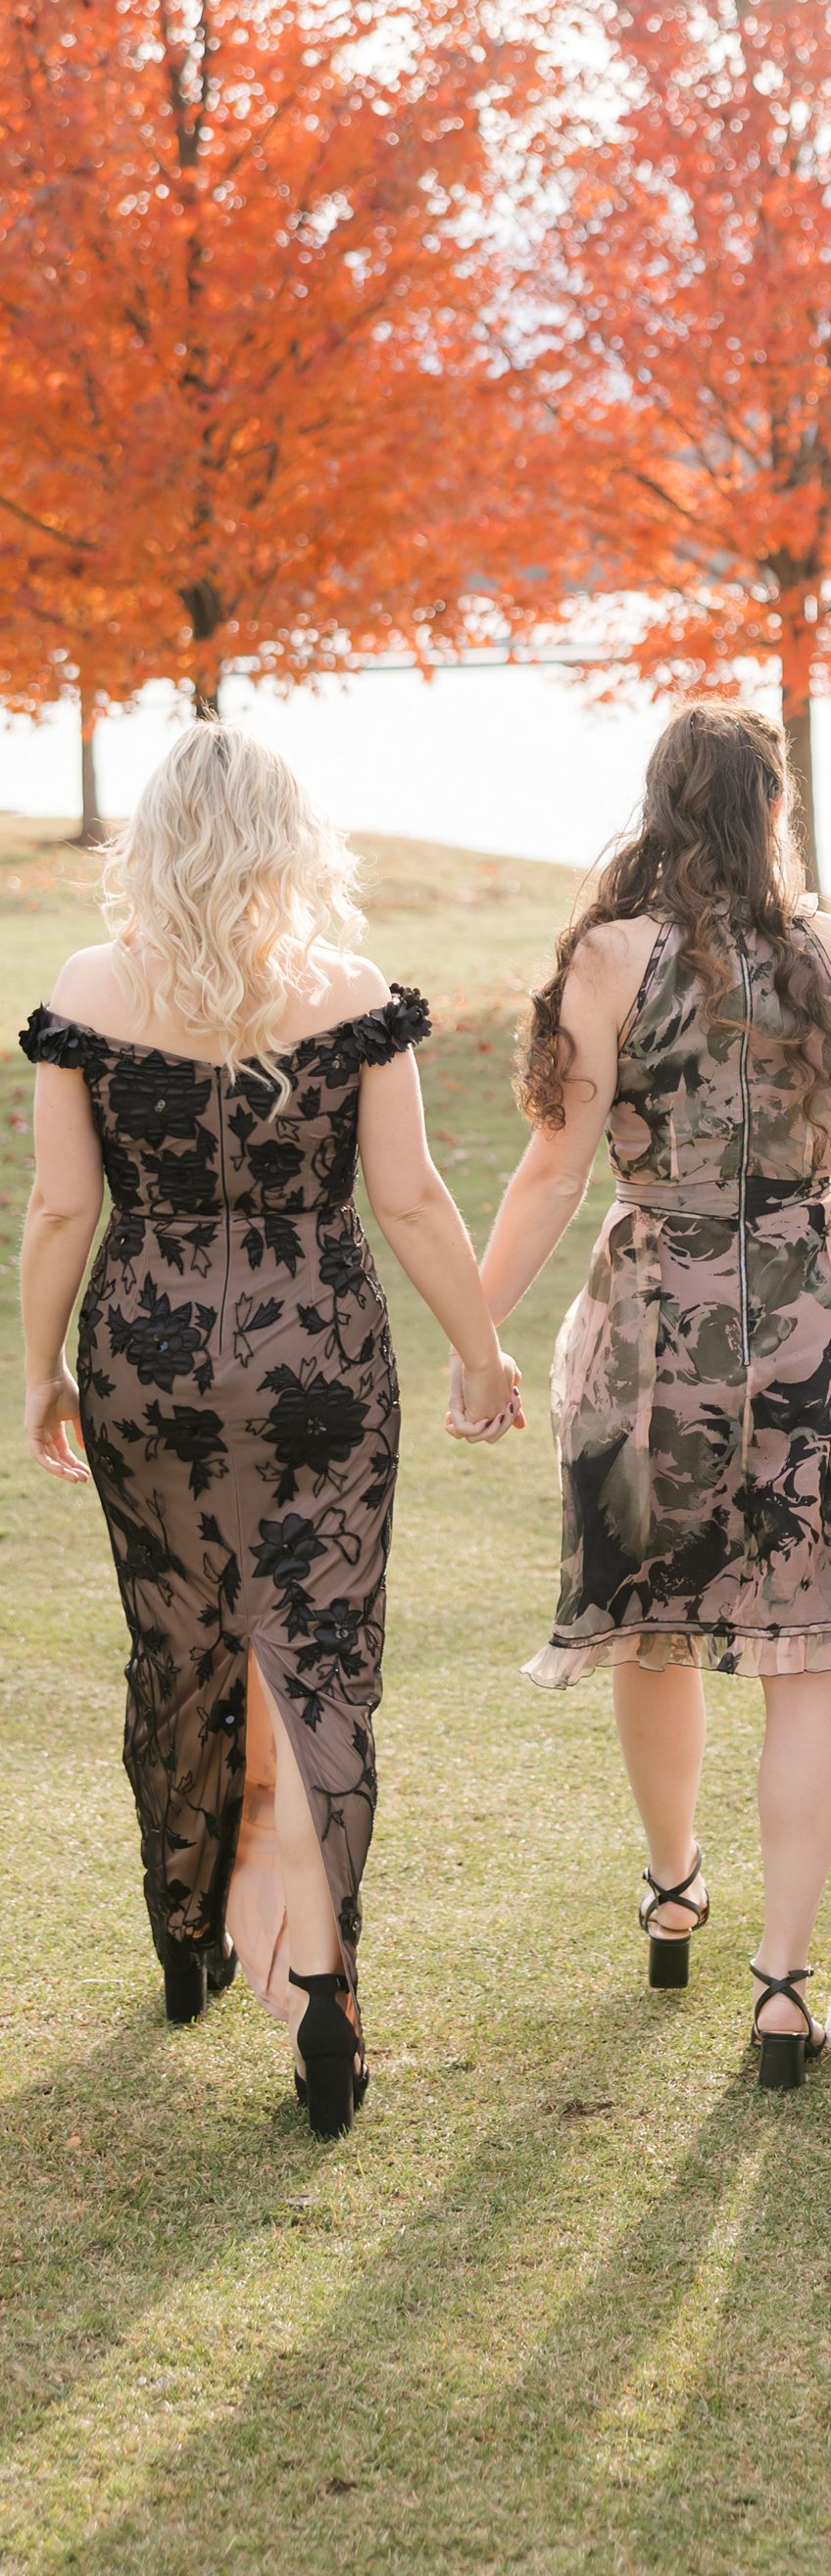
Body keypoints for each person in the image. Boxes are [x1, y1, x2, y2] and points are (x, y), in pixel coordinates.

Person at [18, 724, 518, 2138]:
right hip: (321, 1359)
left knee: (182, 1640)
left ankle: (189, 1933)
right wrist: (481, 1349)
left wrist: (40, 1366)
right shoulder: (345, 993)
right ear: (290, 840)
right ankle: (320, 1979)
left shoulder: (90, 989)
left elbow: (62, 1208)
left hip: (150, 1349)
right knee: (317, 1661)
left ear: (153, 838)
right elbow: (410, 1198)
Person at [474, 702, 831, 2085]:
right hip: (811, 1309)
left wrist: (478, 1329)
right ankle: (785, 1982)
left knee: (655, 1624)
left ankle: (675, 1883)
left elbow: (553, 1172)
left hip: (660, 1318)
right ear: (773, 810)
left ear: (662, 802)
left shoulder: (612, 957)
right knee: (806, 1647)